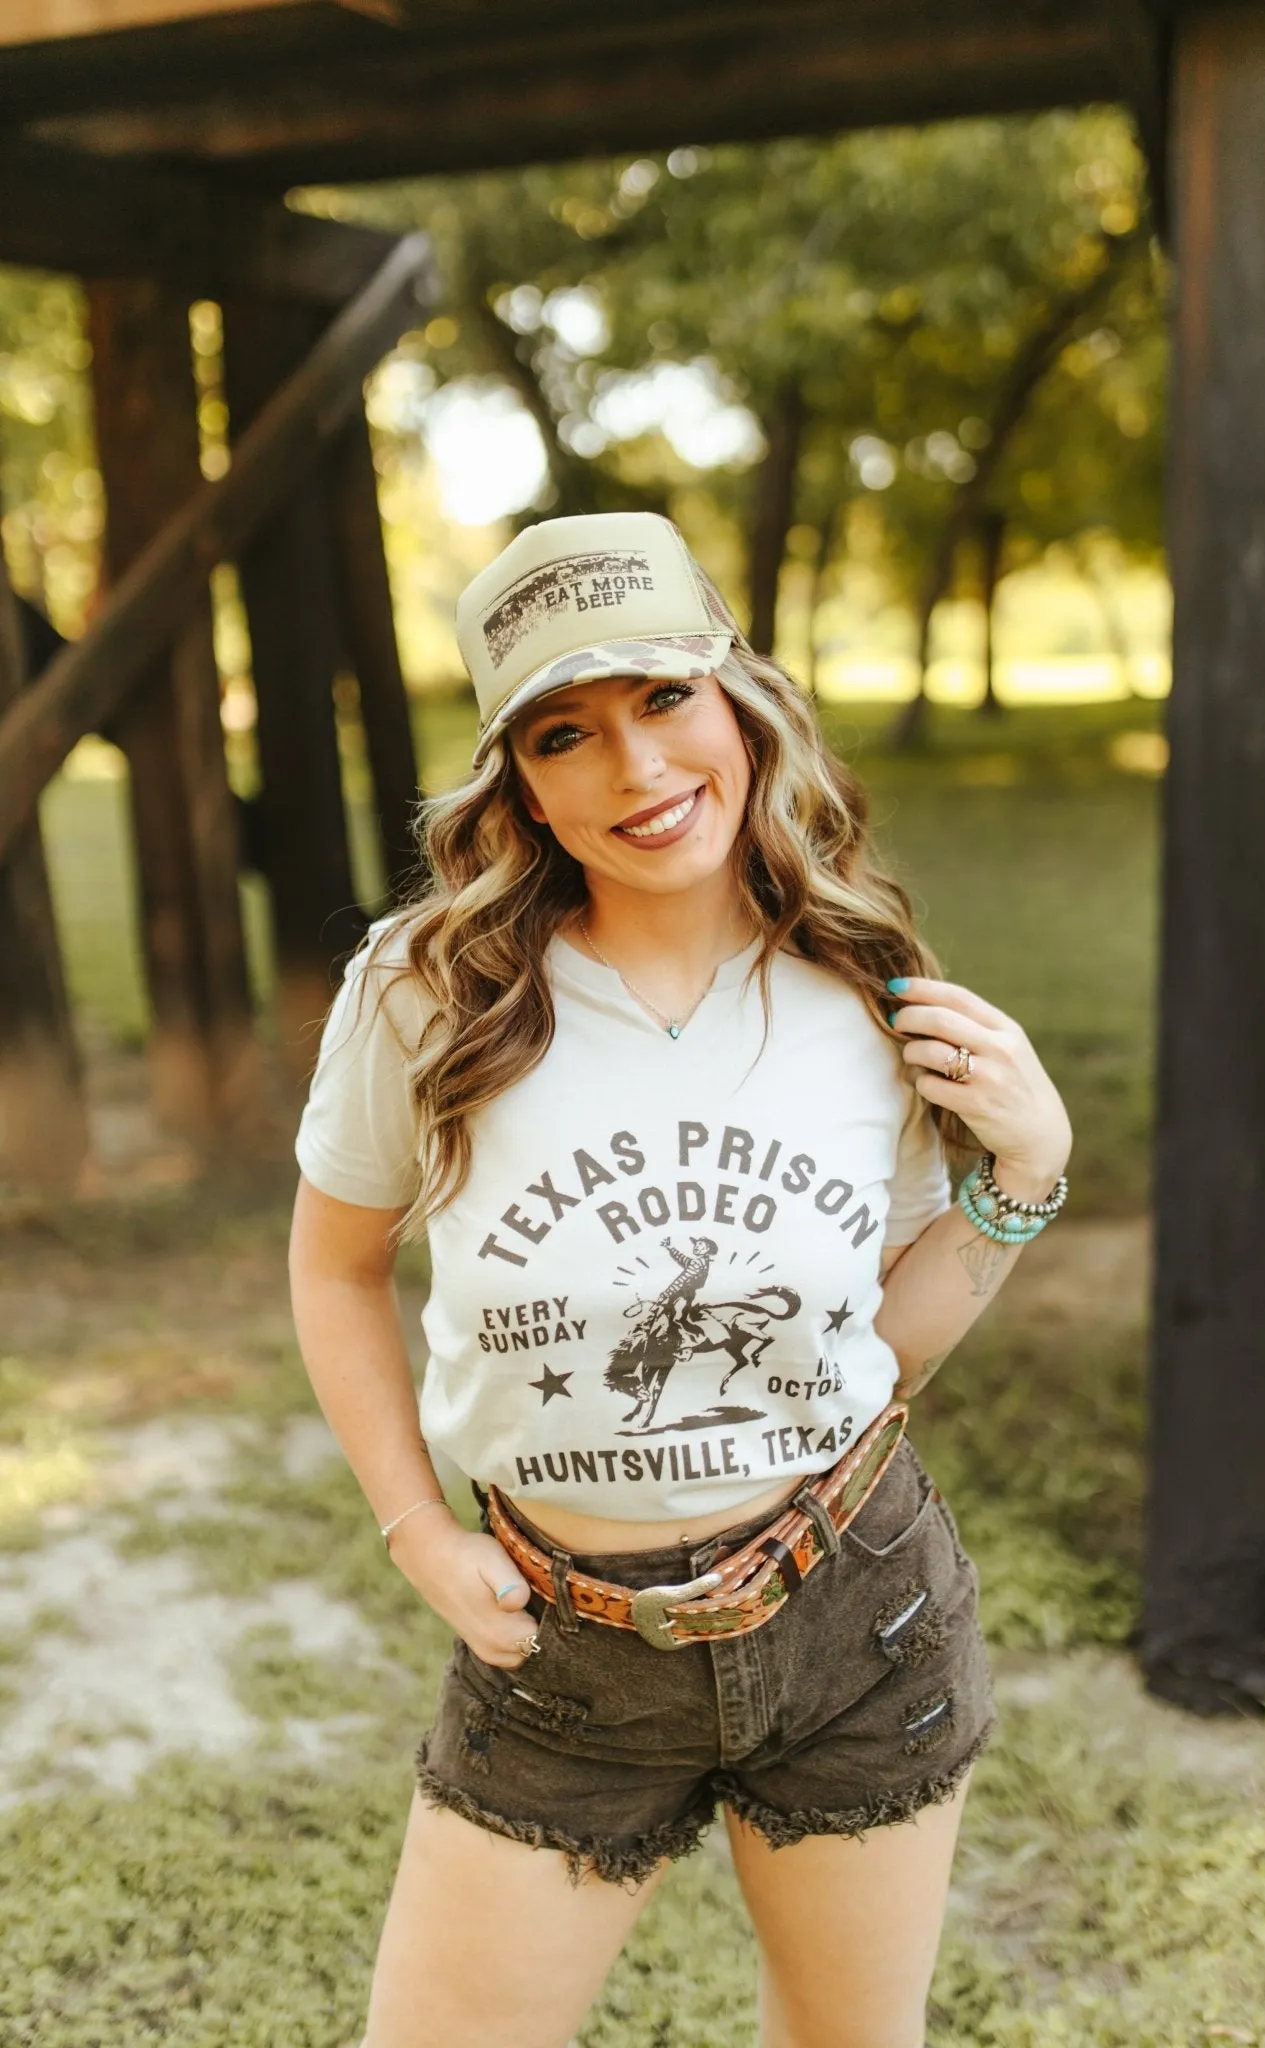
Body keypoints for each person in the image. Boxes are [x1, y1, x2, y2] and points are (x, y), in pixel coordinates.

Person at [289, 512, 1071, 2048]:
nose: (637, 774)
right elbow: (333, 1268)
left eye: (663, 701)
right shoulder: (427, 990)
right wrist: (415, 1534)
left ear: (738, 701)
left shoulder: (860, 984)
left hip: (856, 1613)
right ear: (519, 777)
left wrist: (1023, 1176)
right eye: (567, 733)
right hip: (562, 1653)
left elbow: (878, 1354)